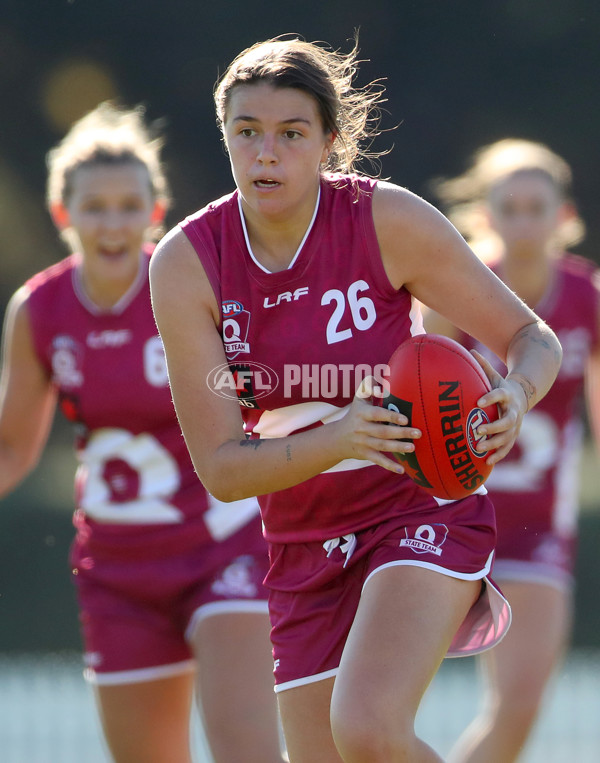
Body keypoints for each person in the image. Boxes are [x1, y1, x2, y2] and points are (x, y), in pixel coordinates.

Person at [149, 37, 563, 763]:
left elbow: (533, 338)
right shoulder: (188, 264)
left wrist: (515, 393)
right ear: (225, 136)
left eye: (291, 133)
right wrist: (341, 437)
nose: (266, 154)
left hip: (418, 507)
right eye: (247, 133)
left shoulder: (385, 220)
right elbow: (221, 468)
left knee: (368, 727)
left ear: (330, 142)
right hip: (302, 544)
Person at [0, 101, 285, 763]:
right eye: (94, 206)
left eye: (130, 204)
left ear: (156, 211)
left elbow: (265, 400)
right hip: (119, 568)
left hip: (224, 546)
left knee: (247, 751)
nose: (112, 222)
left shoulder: (193, 282)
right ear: (62, 213)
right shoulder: (39, 310)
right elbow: (13, 445)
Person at [424, 138, 600, 762]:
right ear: (486, 215)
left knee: (519, 712)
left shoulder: (587, 297)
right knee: (380, 706)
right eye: (511, 207)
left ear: (564, 216)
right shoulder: (459, 287)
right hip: (454, 517)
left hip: (538, 532)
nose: (524, 222)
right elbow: (414, 386)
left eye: (537, 207)